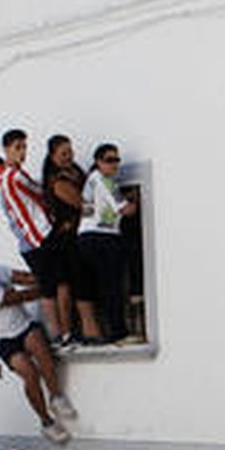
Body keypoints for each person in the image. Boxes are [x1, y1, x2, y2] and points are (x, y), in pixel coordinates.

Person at [0, 245, 75, 444]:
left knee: (42, 350)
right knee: (30, 374)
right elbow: (17, 297)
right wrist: (47, 287)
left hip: (24, 325)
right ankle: (46, 421)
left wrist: (46, 276)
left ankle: (56, 397)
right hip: (4, 339)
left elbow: (24, 278)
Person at [0, 130, 65, 342]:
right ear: (6, 150)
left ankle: (59, 333)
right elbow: (38, 200)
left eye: (24, 147)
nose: (22, 152)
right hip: (37, 239)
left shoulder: (13, 178)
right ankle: (59, 334)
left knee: (51, 286)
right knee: (52, 287)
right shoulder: (13, 178)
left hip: (34, 240)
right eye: (17, 147)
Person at [41, 134, 103, 345]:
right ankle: (74, 332)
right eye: (64, 153)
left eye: (71, 152)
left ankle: (88, 331)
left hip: (79, 235)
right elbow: (82, 203)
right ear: (53, 156)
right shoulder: (57, 181)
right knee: (71, 285)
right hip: (65, 240)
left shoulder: (75, 171)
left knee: (82, 283)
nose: (69, 156)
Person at [78, 142, 139, 344]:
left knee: (103, 287)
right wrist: (136, 201)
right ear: (98, 162)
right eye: (109, 160)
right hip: (101, 238)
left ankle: (107, 331)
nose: (114, 164)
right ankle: (118, 333)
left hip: (90, 238)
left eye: (117, 160)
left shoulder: (94, 181)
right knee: (112, 287)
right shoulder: (103, 180)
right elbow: (125, 210)